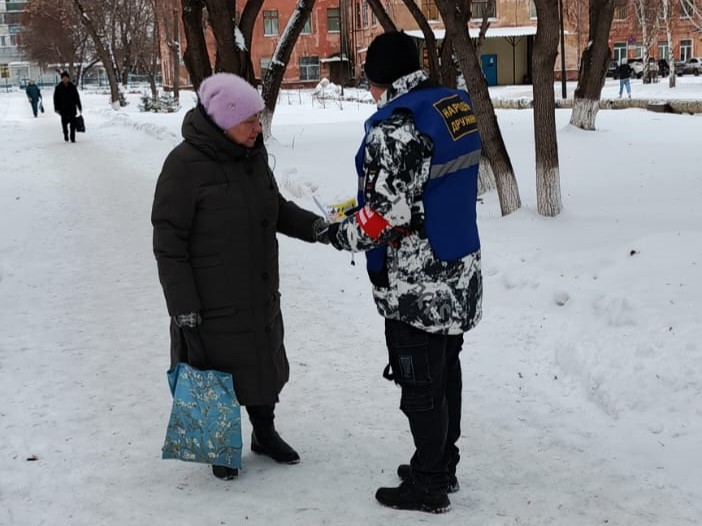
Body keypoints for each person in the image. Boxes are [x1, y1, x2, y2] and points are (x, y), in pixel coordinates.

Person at [323, 32, 483, 513]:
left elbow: (384, 216)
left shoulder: (393, 129)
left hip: (417, 283)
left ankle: (430, 482)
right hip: (458, 267)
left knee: (419, 380)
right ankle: (442, 460)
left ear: (379, 78)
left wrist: (338, 233)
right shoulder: (453, 107)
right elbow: (425, 188)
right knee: (446, 368)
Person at [151, 73, 329, 481]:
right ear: (222, 120)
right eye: (248, 120)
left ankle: (264, 434)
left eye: (258, 119)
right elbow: (168, 242)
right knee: (213, 367)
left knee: (261, 360)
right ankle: (218, 446)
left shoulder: (252, 157)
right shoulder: (184, 166)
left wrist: (318, 228)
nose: (256, 128)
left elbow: (275, 207)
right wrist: (183, 307)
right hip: (209, 298)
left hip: (257, 285)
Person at [53, 71, 82, 142]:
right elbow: (55, 99)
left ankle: (72, 138)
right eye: (63, 78)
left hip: (72, 108)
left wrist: (79, 106)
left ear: (68, 78)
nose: (65, 79)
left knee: (73, 124)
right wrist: (56, 108)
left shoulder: (72, 87)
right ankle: (65, 134)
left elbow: (77, 97)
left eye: (66, 78)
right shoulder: (58, 88)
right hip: (63, 109)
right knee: (64, 124)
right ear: (62, 79)